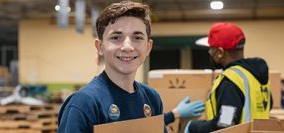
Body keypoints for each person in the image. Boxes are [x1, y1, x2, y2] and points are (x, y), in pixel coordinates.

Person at [58, 1, 204, 133]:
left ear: (148, 47)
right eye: (116, 37)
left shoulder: (151, 97)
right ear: (100, 47)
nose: (127, 47)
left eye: (137, 37)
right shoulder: (84, 103)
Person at [185, 22, 273, 133]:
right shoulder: (255, 75)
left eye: (212, 49)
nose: (209, 52)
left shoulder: (230, 81)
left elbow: (225, 123)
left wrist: (194, 126)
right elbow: (267, 106)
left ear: (220, 52)